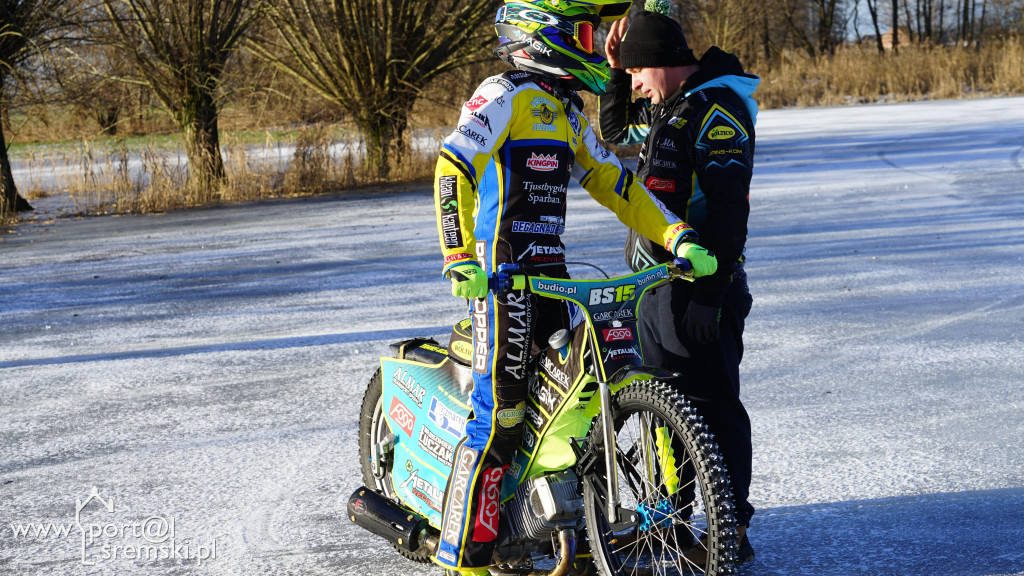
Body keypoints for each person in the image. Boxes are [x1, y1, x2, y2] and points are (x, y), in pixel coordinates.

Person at [430, 1, 720, 574]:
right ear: (543, 34)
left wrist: (678, 236)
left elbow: (617, 184)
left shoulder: (564, 109)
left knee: (576, 404)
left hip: (554, 278)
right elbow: (452, 167)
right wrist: (458, 253)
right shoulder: (504, 93)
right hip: (501, 279)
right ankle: (461, 558)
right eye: (582, 33)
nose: (592, 45)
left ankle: (558, 524)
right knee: (502, 419)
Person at [599, 7, 759, 564]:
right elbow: (615, 131)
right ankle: (671, 520)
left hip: (701, 292)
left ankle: (732, 529)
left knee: (714, 408)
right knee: (670, 409)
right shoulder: (671, 109)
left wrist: (711, 297)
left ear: (660, 63)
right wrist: (614, 70)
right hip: (657, 289)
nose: (634, 87)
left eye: (637, 74)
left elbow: (729, 213)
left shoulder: (716, 111)